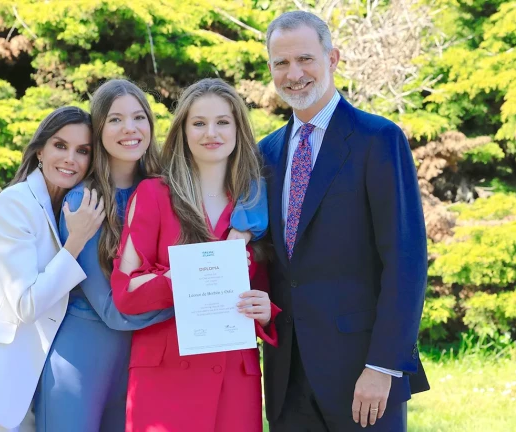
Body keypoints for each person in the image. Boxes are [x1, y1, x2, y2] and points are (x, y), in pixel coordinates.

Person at [35, 79, 269, 432]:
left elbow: (266, 278)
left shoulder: (183, 187)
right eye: (114, 120)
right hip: (95, 351)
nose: (129, 129)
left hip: (184, 361)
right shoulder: (94, 202)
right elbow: (116, 306)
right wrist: (201, 283)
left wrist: (258, 304)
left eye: (138, 117)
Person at [259, 11, 430, 432]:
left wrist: (384, 366)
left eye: (305, 59)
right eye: (281, 63)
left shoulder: (378, 139)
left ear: (332, 58)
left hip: (362, 375)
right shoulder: (265, 153)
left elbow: (406, 262)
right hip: (287, 379)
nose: (293, 74)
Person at [110, 78, 280, 432]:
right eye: (199, 123)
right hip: (165, 377)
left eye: (222, 122)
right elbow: (125, 293)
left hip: (235, 377)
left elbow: (268, 289)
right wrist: (188, 276)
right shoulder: (153, 194)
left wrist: (265, 312)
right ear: (183, 131)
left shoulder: (256, 204)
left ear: (238, 130)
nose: (210, 133)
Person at [0, 107, 105, 431]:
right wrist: (76, 241)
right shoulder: (14, 205)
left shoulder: (68, 207)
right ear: (40, 151)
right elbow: (25, 304)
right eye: (60, 145)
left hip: (31, 393)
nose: (70, 158)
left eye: (82, 151)